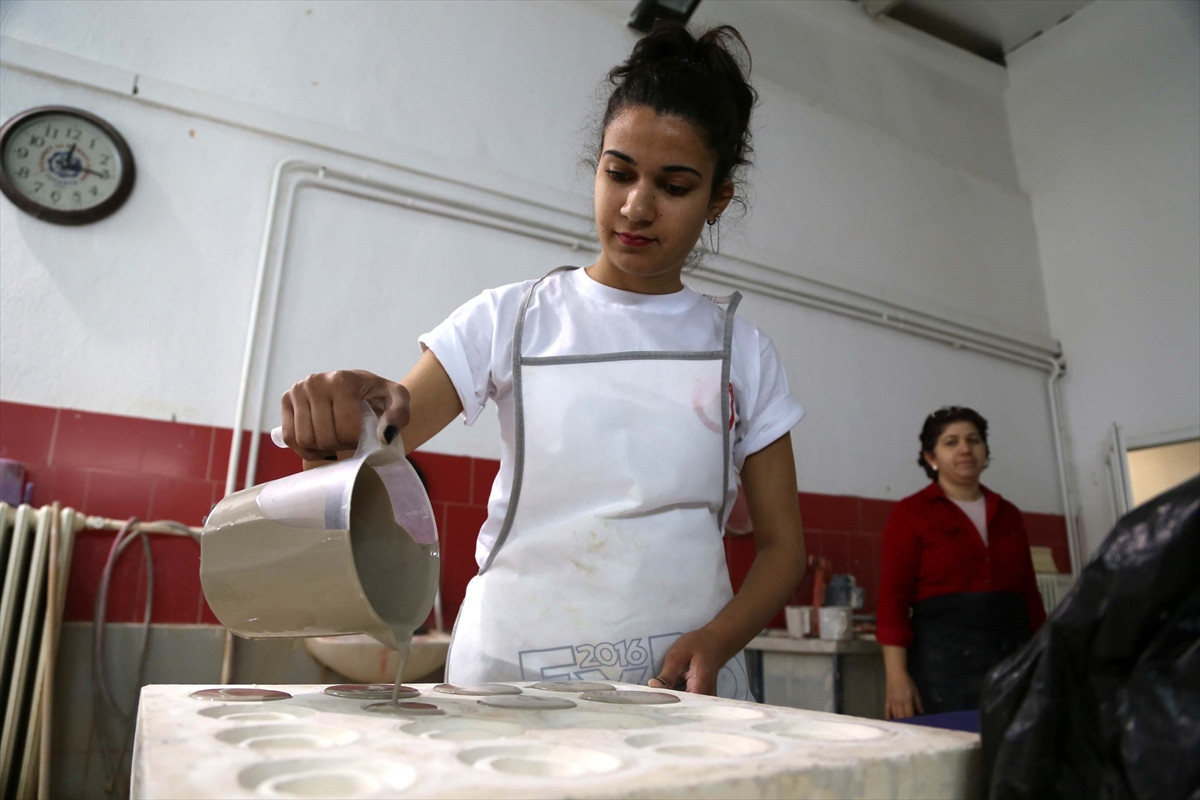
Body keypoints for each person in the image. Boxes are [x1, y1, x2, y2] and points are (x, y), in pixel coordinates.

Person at [279, 23, 807, 700]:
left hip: (678, 683)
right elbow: (374, 447)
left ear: (717, 199)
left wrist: (718, 638)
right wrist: (340, 416)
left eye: (674, 187)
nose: (636, 207)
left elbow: (783, 548)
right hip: (514, 679)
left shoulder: (743, 352)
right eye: (618, 173)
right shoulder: (510, 319)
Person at [877, 406, 1047, 719]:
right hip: (941, 668)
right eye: (951, 442)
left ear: (985, 451)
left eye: (974, 440)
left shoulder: (1008, 514)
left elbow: (1030, 597)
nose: (965, 449)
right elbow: (893, 600)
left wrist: (1047, 660)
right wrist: (896, 677)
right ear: (931, 457)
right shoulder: (910, 514)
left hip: (1013, 663)